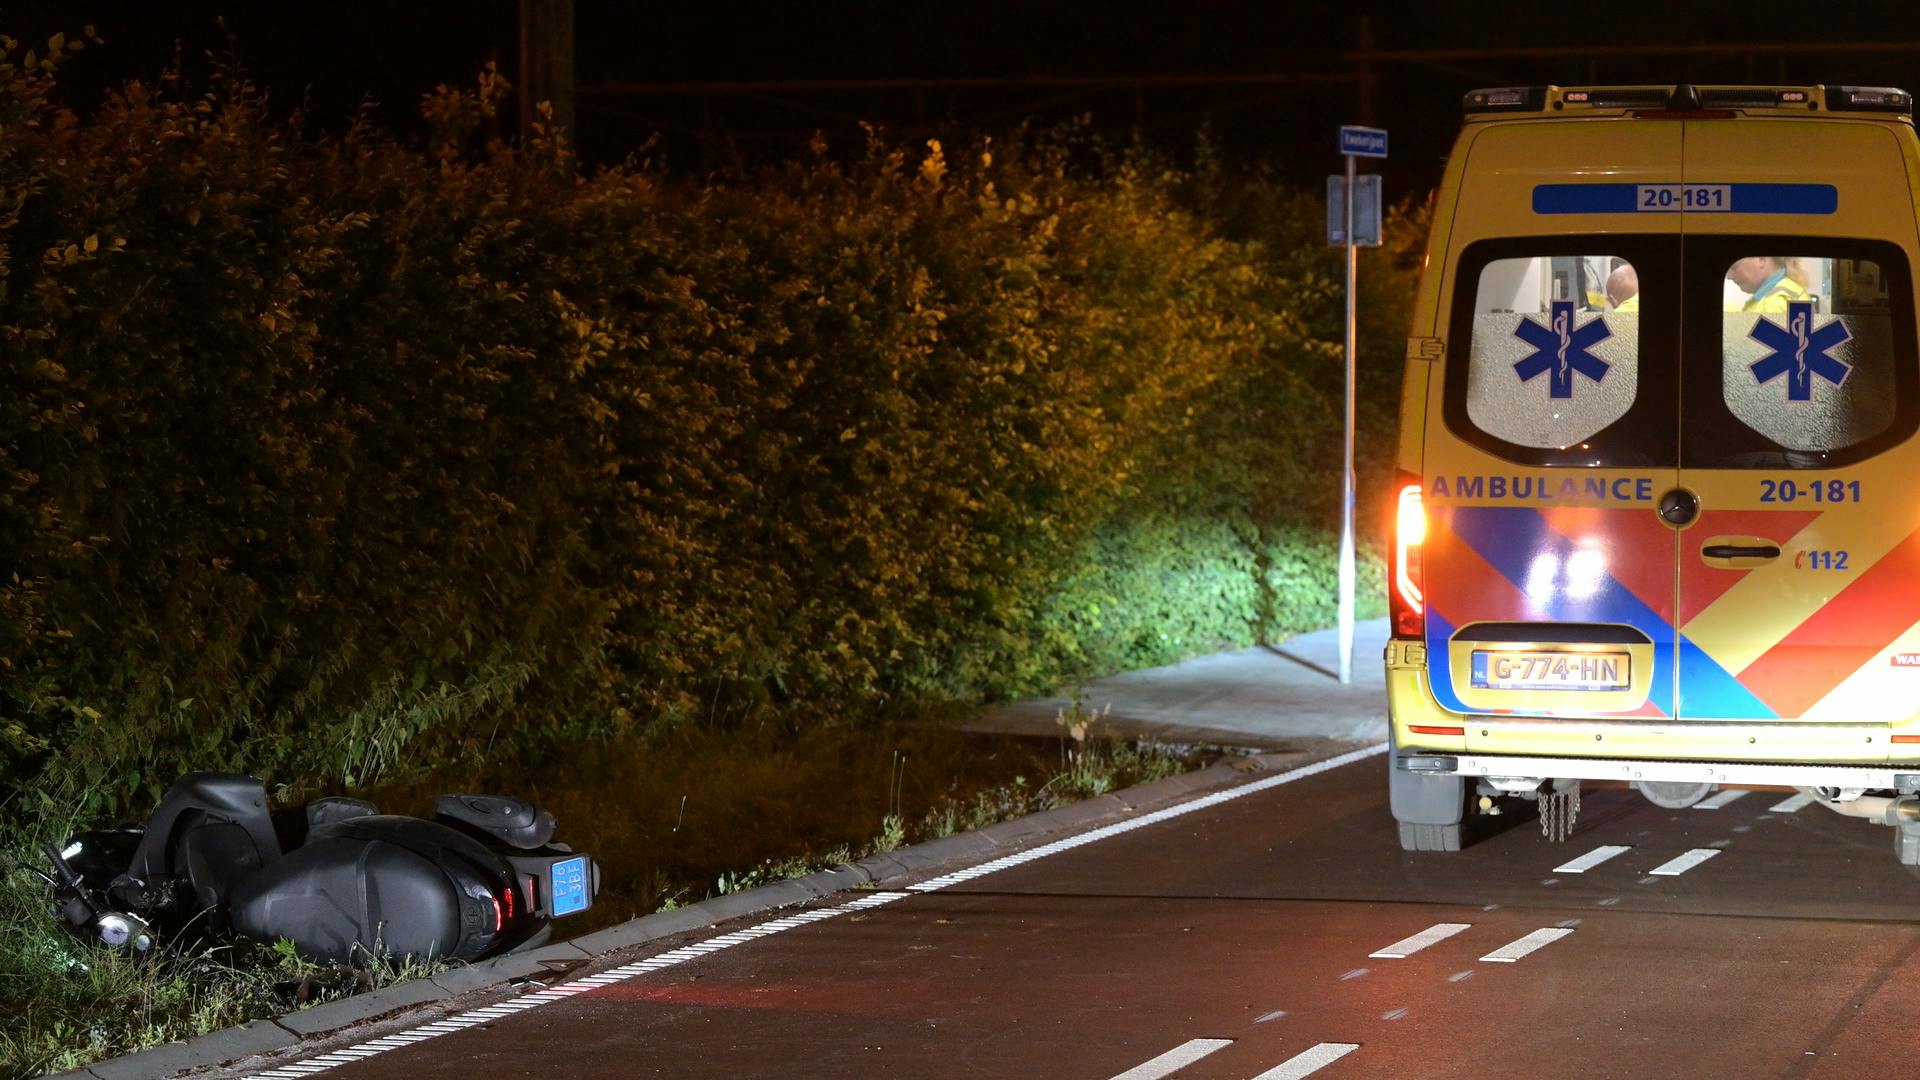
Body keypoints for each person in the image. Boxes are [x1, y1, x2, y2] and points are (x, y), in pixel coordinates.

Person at [1725, 256, 1811, 313]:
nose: (1728, 276)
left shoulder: (1776, 303)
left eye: (1734, 267)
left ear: (1761, 260)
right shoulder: (1784, 292)